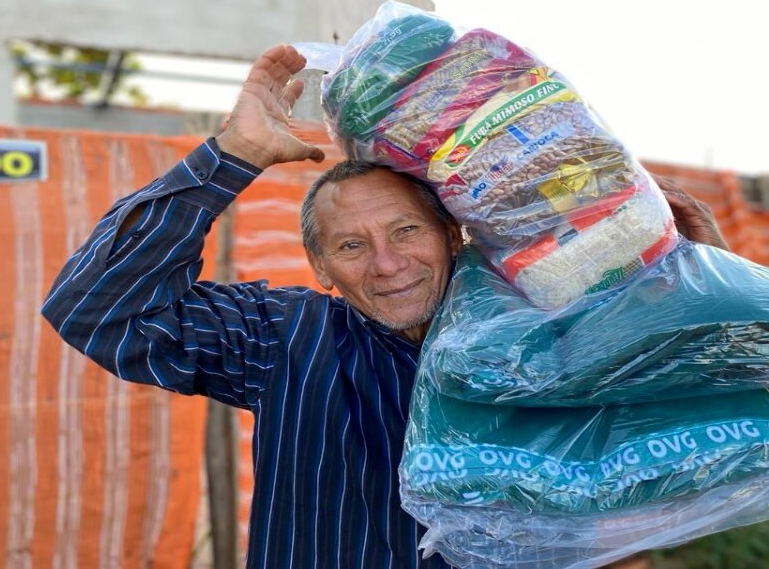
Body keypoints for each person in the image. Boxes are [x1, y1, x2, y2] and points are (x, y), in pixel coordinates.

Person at [42, 45, 728, 569]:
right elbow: (97, 309)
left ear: (451, 235)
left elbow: (714, 422)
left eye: (406, 232)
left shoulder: (553, 334)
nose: (388, 264)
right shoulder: (288, 338)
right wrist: (234, 156)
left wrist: (685, 284)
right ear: (322, 267)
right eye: (351, 244)